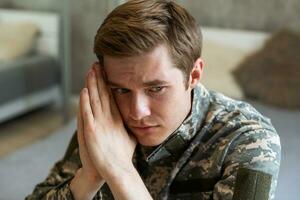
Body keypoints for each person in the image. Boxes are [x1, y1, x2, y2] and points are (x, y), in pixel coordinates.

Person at [26, 0, 281, 199]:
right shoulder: (106, 121)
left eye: (156, 88)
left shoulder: (250, 141)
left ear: (194, 74)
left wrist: (119, 172)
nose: (136, 112)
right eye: (121, 90)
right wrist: (90, 177)